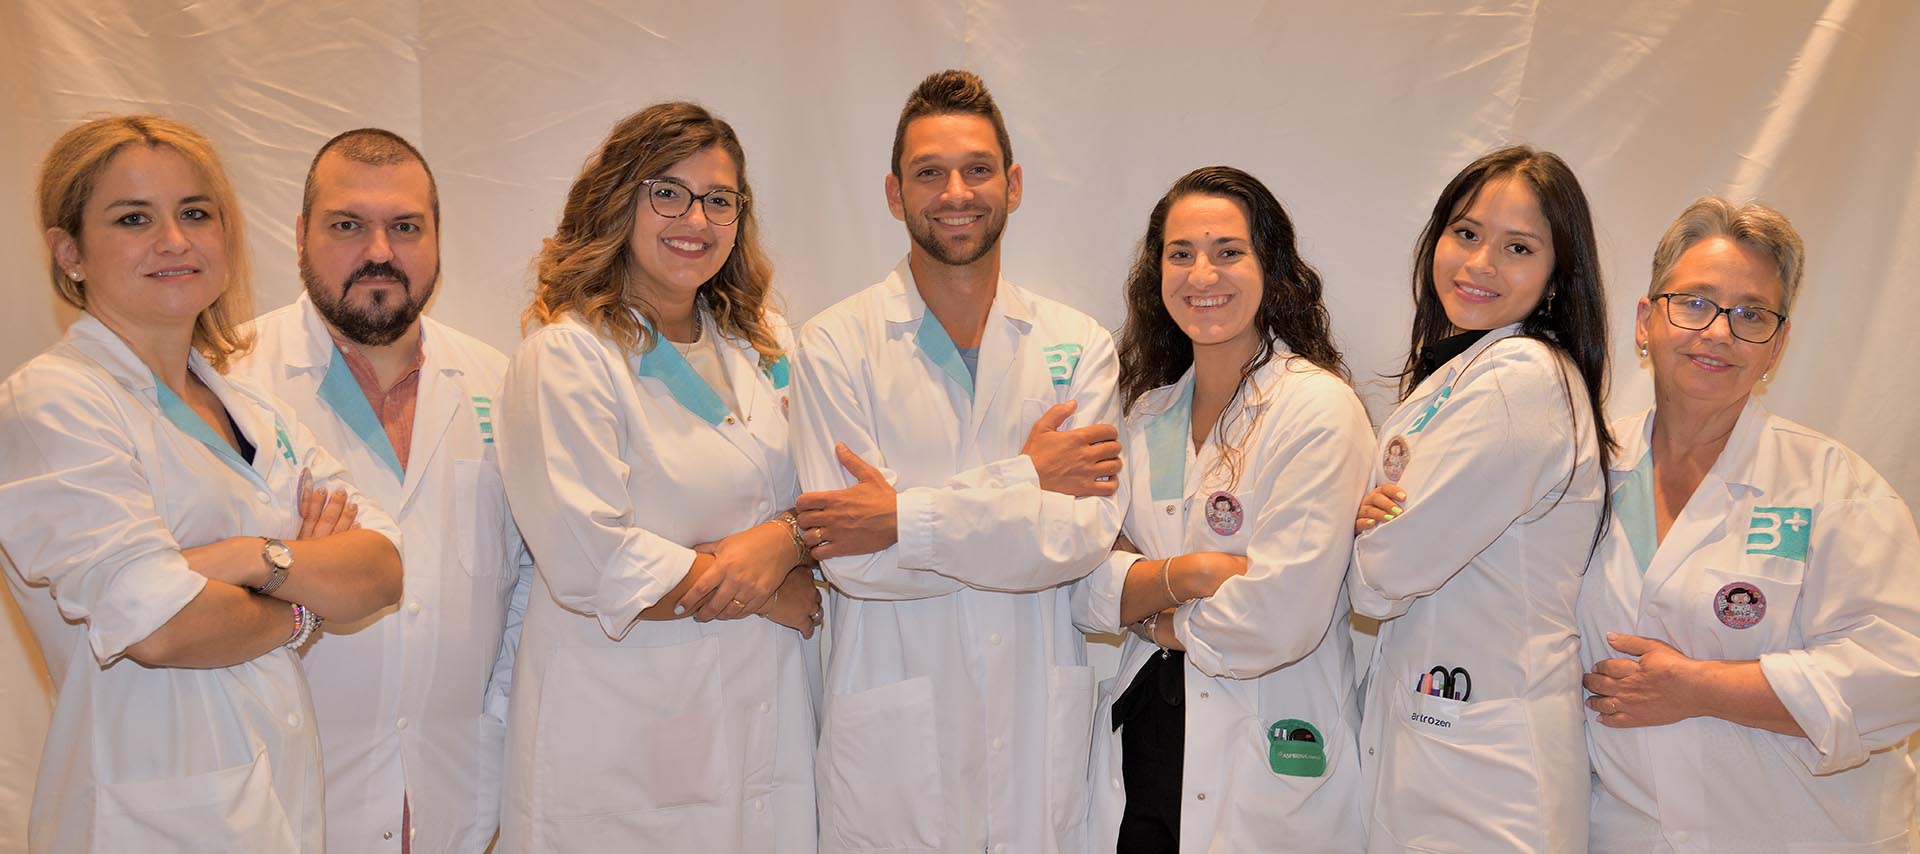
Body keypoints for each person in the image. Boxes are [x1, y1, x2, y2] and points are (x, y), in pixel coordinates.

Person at [0, 115, 402, 852]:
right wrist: (303, 602)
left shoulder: (251, 409)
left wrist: (247, 560)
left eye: (195, 213)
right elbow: (159, 627)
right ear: (69, 252)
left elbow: (380, 568)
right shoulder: (52, 403)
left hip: (274, 804)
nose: (174, 241)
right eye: (133, 218)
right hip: (146, 820)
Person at [791, 69, 1124, 853]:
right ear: (893, 193)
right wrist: (1027, 480)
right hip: (894, 742)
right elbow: (854, 562)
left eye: (977, 169)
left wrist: (900, 518)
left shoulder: (1078, 345)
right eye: (929, 173)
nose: (956, 193)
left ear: (1013, 184)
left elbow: (1077, 541)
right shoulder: (834, 345)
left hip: (1036, 729)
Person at [494, 102, 821, 853]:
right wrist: (767, 589)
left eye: (719, 199)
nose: (696, 219)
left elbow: (822, 497)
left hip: (762, 717)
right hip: (623, 734)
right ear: (618, 199)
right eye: (667, 192)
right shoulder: (568, 357)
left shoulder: (761, 343)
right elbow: (594, 562)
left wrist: (786, 538)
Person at [1579, 197, 1920, 851]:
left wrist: (1698, 688)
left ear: (1777, 346)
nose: (1719, 332)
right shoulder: (1579, 474)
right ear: (1646, 322)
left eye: (1751, 314)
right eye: (1695, 302)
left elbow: (1901, 675)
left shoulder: (1837, 489)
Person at [231, 128, 531, 853]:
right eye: (346, 226)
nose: (379, 252)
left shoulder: (502, 383)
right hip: (276, 802)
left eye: (405, 227)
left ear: (437, 238)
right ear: (299, 236)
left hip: (455, 801)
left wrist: (497, 728)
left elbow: (527, 586)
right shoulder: (228, 382)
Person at [1070, 166, 1373, 851]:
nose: (1201, 274)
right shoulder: (1147, 417)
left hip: (1268, 757)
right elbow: (1083, 583)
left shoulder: (1316, 410)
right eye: (1181, 253)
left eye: (1228, 251)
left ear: (1271, 267)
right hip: (1145, 750)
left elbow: (1279, 618)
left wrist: (1149, 607)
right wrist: (1198, 574)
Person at [1347, 145, 1614, 852]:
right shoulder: (1473, 369)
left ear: (1557, 277)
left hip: (1488, 772)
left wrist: (1365, 532)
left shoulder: (1518, 380)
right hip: (1443, 739)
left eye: (1518, 247)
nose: (1480, 263)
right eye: (1466, 233)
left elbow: (1380, 578)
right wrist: (1372, 527)